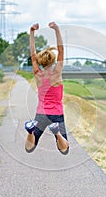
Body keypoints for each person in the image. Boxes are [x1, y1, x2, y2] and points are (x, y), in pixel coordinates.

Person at [24, 22, 69, 155]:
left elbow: (32, 53)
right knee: (64, 149)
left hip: (41, 113)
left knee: (30, 147)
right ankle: (57, 133)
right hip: (56, 113)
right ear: (53, 59)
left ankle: (30, 131)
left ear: (41, 61)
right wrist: (57, 30)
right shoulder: (57, 73)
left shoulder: (38, 74)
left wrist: (31, 32)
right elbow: (61, 50)